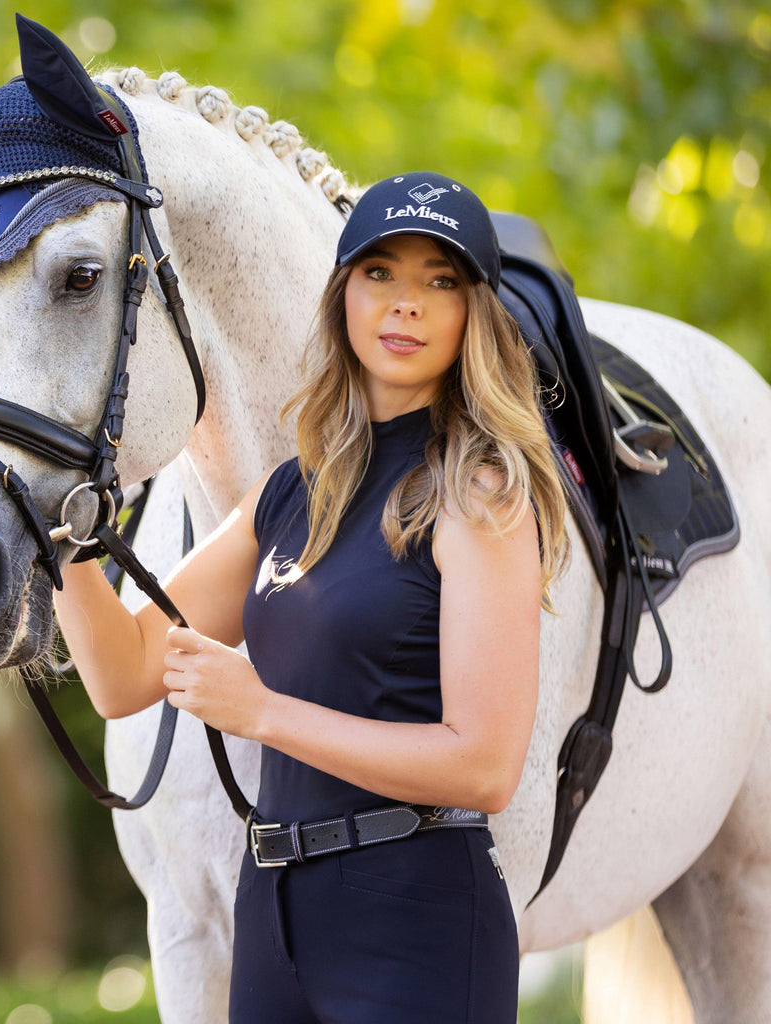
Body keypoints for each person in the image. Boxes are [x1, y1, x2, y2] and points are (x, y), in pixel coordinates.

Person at [54, 171, 568, 1023]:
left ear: (474, 315)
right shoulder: (292, 490)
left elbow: (483, 766)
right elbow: (124, 674)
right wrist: (60, 536)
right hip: (277, 917)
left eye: (440, 281)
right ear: (342, 297)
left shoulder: (479, 494)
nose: (406, 304)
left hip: (414, 916)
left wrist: (262, 712)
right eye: (381, 274)